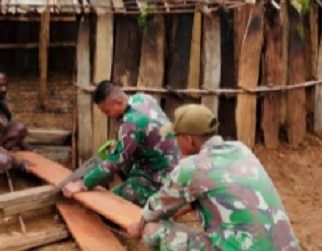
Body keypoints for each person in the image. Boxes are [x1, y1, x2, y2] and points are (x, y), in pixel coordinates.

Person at [127, 104, 300, 251]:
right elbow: (207, 195)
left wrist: (139, 225)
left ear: (189, 140)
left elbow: (155, 208)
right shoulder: (241, 150)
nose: (175, 142)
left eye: (176, 136)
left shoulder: (192, 168)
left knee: (152, 230)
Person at [62, 80, 180, 207]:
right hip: (170, 165)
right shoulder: (143, 98)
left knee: (108, 204)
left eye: (107, 112)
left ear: (118, 103)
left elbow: (114, 162)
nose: (107, 116)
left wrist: (82, 184)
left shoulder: (131, 122)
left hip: (161, 179)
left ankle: (158, 202)